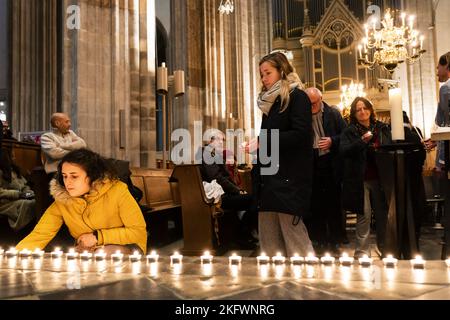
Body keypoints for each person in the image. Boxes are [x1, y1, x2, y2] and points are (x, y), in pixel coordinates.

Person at [16, 148, 147, 255]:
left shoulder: (117, 191)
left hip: (127, 246)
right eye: (64, 176)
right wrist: (17, 255)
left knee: (101, 255)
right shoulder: (63, 200)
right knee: (70, 260)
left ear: (92, 175)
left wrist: (98, 237)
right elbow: (41, 233)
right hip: (88, 249)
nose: (68, 182)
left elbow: (138, 232)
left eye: (74, 176)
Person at [246, 52, 314, 257]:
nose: (264, 78)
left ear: (282, 71)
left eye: (268, 72)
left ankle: (306, 280)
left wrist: (263, 141)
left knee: (294, 239)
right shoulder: (271, 104)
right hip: (268, 180)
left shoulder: (297, 97)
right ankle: (273, 285)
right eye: (261, 74)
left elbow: (301, 136)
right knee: (269, 242)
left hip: (288, 179)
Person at [340, 97, 391, 259]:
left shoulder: (381, 128)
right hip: (360, 179)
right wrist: (362, 141)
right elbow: (344, 151)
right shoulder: (350, 131)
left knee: (383, 215)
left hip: (380, 178)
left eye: (365, 108)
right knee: (364, 215)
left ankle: (385, 249)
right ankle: (362, 252)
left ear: (370, 109)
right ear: (354, 114)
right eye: (358, 110)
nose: (362, 112)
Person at [304, 87, 347, 255]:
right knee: (316, 205)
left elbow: (345, 135)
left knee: (333, 204)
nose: (311, 107)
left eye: (314, 103)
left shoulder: (333, 114)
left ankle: (335, 240)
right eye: (309, 104)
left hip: (329, 162)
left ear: (321, 99)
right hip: (312, 163)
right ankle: (319, 240)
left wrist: (332, 141)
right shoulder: (303, 115)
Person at [199, 131, 257, 248]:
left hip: (225, 193)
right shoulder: (207, 153)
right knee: (254, 200)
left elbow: (226, 178)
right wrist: (236, 191)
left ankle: (242, 233)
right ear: (210, 140)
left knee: (255, 199)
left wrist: (238, 190)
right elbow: (216, 177)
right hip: (218, 197)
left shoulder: (214, 154)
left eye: (223, 140)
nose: (222, 142)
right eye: (219, 139)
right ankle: (241, 234)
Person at [0, 151, 36, 231]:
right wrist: (18, 194)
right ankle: (25, 230)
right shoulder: (1, 172)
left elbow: (24, 186)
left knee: (38, 202)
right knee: (28, 204)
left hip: (18, 198)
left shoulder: (14, 170)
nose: (14, 158)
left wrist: (29, 193)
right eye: (12, 157)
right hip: (6, 203)